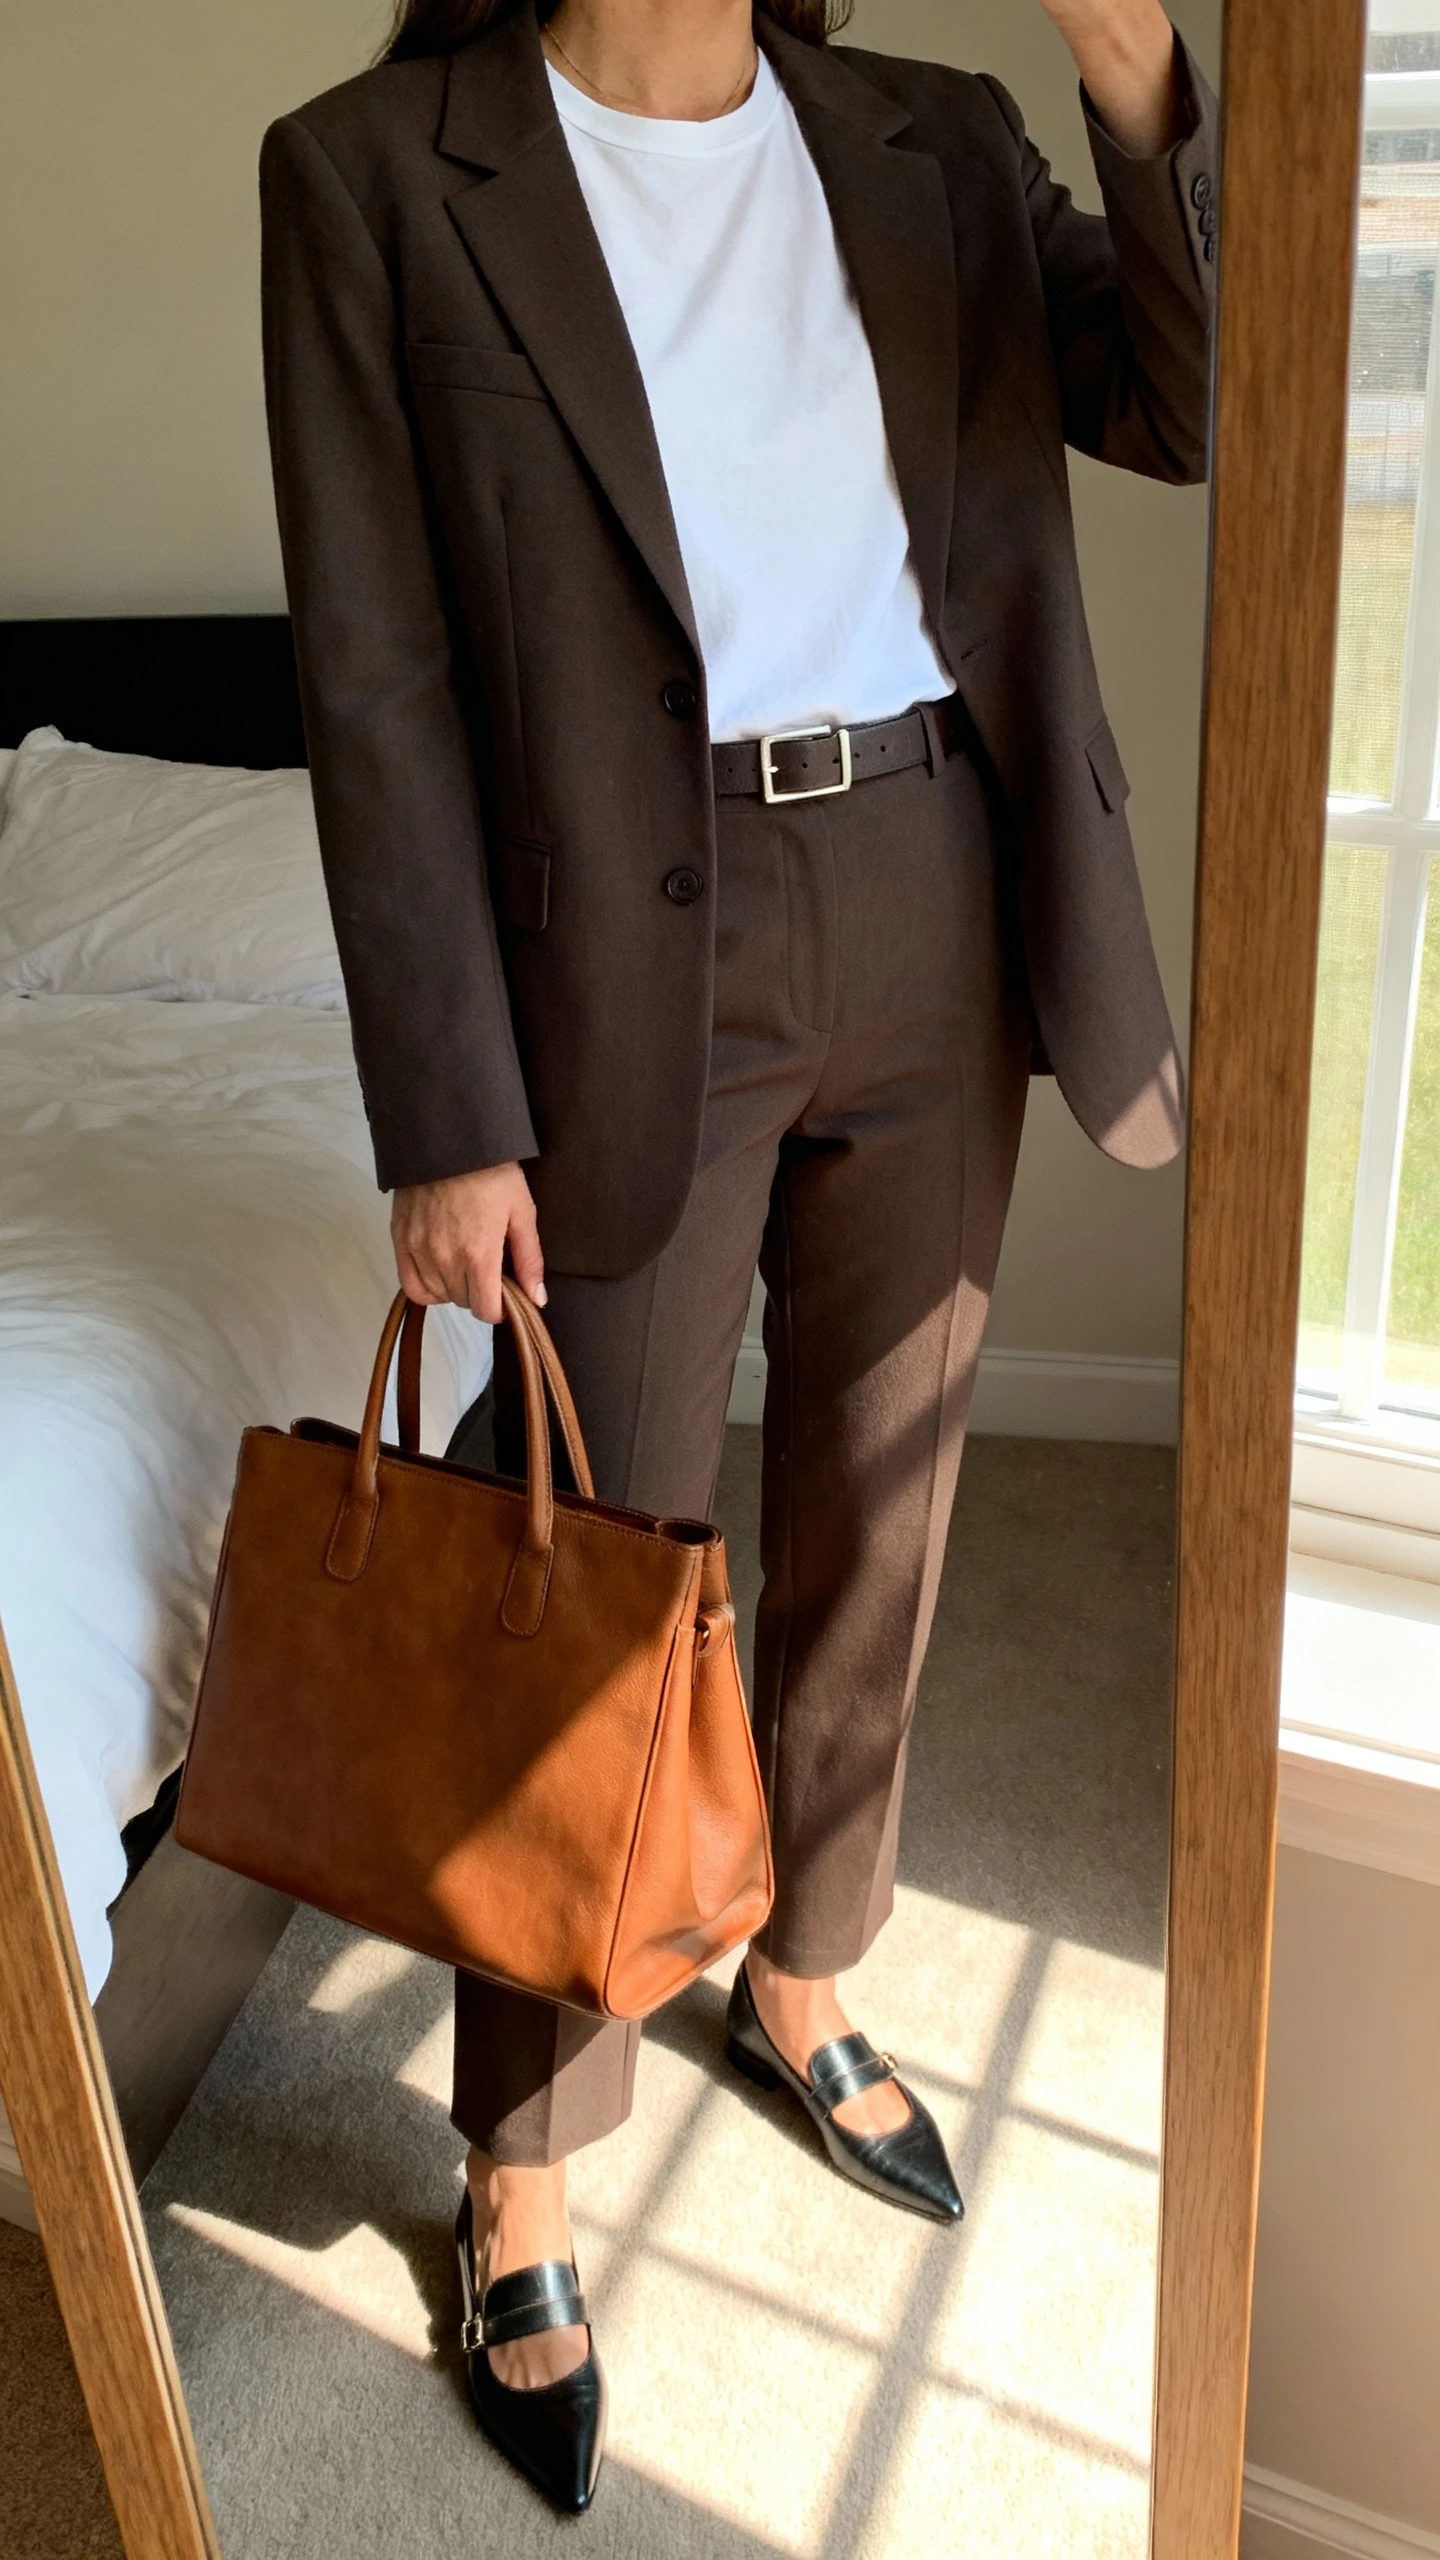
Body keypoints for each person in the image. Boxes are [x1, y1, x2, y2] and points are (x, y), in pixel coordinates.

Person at [260, 0, 1214, 2511]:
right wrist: (447, 1115)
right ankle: (527, 2170)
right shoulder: (374, 168)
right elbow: (370, 677)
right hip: (617, 954)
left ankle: (798, 1970)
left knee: (881, 1526)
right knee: (591, 1584)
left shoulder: (932, 132)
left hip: (940, 876)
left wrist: (1141, 102)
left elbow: (1178, 407)